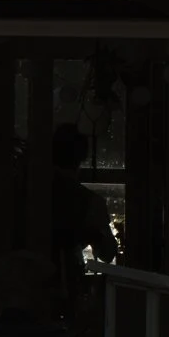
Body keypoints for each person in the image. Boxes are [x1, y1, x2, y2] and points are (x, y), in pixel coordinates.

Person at [50, 124, 117, 314]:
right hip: (67, 285)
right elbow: (107, 253)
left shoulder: (27, 195)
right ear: (81, 159)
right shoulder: (90, 202)